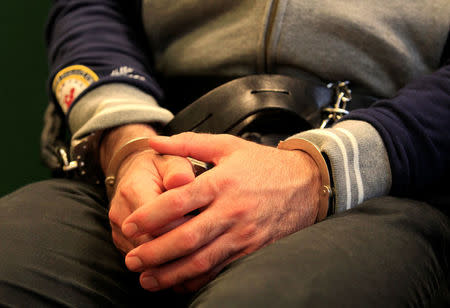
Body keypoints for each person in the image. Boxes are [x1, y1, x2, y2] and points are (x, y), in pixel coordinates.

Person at [0, 0, 449, 306]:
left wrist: (322, 172)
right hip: (155, 150)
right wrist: (127, 142)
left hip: (383, 178)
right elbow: (94, 8)